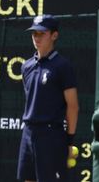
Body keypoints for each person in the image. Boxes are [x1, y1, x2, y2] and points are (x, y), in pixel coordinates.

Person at [17, 15, 80, 182]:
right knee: (27, 179)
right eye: (34, 34)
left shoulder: (63, 66)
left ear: (54, 35)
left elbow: (72, 106)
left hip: (51, 135)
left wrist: (69, 140)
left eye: (41, 33)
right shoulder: (26, 66)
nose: (37, 38)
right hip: (28, 132)